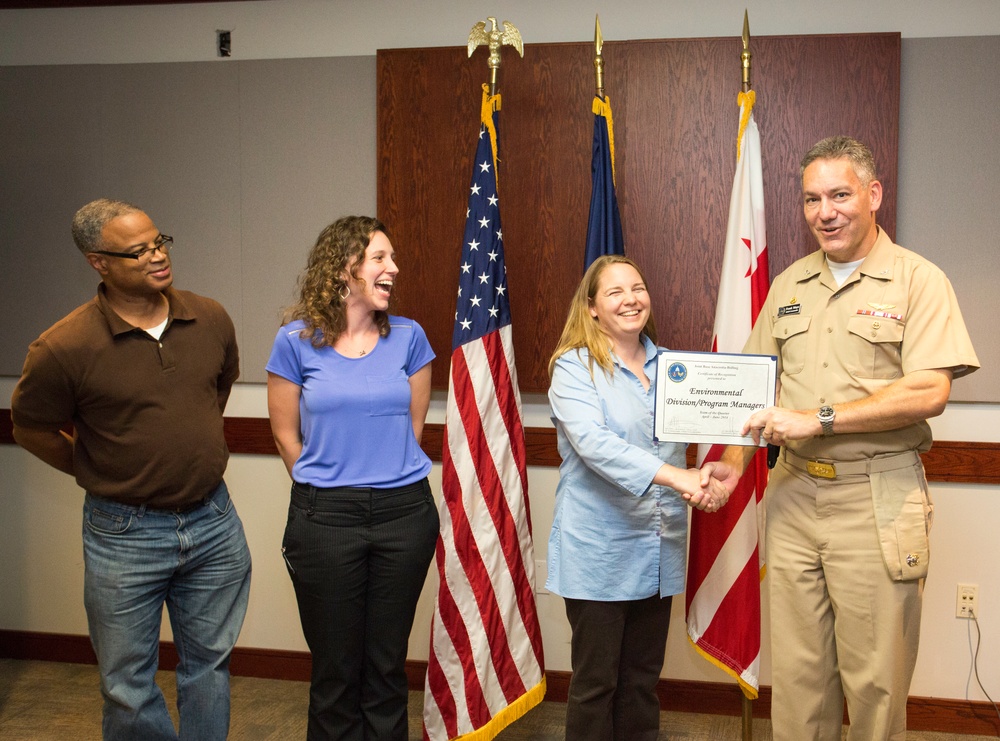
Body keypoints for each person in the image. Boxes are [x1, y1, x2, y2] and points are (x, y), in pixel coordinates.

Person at [703, 136, 980, 741]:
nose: (824, 212)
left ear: (872, 194)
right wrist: (730, 461)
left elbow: (928, 391)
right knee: (800, 687)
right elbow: (754, 386)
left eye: (839, 195)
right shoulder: (789, 285)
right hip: (795, 496)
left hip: (876, 500)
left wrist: (819, 418)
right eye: (810, 199)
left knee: (875, 685)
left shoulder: (918, 281)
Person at [10, 198, 252, 740]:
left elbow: (218, 389)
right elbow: (30, 428)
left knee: (208, 668)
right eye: (136, 251)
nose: (156, 257)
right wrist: (98, 469)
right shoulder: (63, 346)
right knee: (127, 684)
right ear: (98, 262)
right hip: (124, 534)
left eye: (159, 241)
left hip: (213, 523)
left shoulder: (209, 316)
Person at [266, 215, 439, 740]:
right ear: (344, 270)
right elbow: (284, 437)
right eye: (379, 259)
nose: (394, 268)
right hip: (326, 520)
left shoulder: (409, 337)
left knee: (386, 668)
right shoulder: (294, 342)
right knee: (336, 671)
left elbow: (410, 426)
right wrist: (329, 486)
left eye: (391, 259)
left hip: (404, 515)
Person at [546, 255, 729, 741]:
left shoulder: (674, 368)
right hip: (599, 552)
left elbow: (699, 434)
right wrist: (679, 477)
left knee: (642, 684)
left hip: (657, 547)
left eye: (638, 288)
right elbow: (595, 446)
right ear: (591, 309)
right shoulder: (572, 368)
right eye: (615, 292)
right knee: (595, 685)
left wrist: (711, 471)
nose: (631, 300)